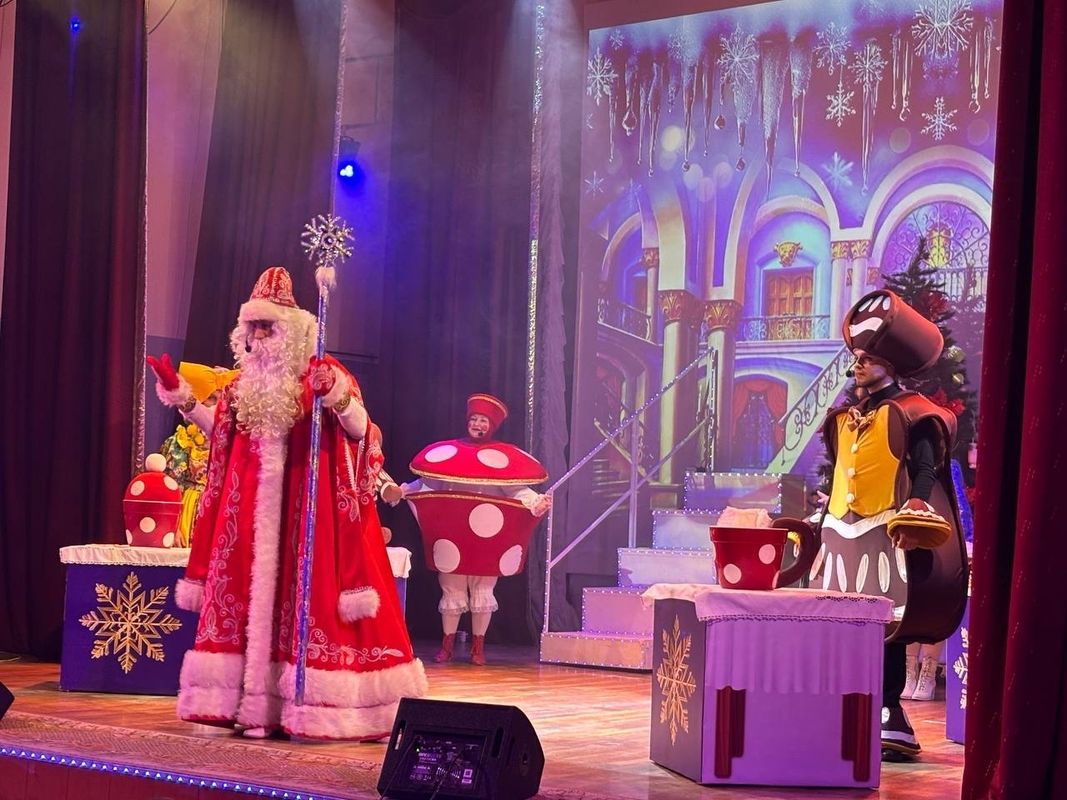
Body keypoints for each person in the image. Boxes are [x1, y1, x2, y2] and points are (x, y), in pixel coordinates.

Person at [148, 266, 426, 740]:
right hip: (250, 518)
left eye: (267, 327)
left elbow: (362, 430)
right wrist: (185, 400)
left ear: (292, 330)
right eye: (252, 328)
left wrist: (335, 395)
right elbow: (223, 436)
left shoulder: (324, 373)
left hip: (307, 515)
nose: (258, 337)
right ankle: (249, 705)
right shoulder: (241, 385)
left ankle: (317, 707)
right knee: (249, 606)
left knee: (308, 604)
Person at [816, 284, 967, 761]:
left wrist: (917, 505)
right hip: (844, 536)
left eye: (868, 358)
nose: (858, 365)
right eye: (857, 357)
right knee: (847, 625)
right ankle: (851, 709)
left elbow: (925, 468)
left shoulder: (913, 412)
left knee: (887, 628)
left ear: (890, 364)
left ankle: (889, 713)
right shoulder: (846, 418)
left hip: (885, 533)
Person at [381, 394, 550, 665]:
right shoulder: (450, 455)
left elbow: (519, 491)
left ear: (492, 426)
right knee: (452, 591)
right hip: (453, 538)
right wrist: (401, 491)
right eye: (474, 419)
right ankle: (447, 645)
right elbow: (426, 484)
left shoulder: (503, 460)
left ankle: (478, 647)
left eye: (483, 420)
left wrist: (536, 502)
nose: (478, 424)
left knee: (483, 592)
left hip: (488, 542)